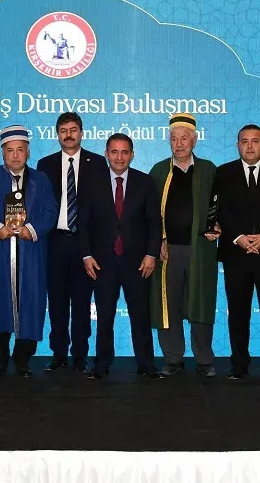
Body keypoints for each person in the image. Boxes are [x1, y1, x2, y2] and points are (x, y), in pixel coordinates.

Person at [79, 133, 161, 379]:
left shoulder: (145, 182)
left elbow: (154, 223)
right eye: (114, 152)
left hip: (138, 262)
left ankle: (146, 364)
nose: (119, 157)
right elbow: (82, 224)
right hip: (102, 262)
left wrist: (151, 254)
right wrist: (86, 255)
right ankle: (101, 364)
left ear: (132, 155)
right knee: (104, 316)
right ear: (106, 154)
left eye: (124, 152)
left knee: (140, 316)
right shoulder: (91, 182)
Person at [0, 125, 57, 379]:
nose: (15, 155)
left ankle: (23, 360)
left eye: (20, 150)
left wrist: (31, 229)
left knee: (31, 305)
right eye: (10, 150)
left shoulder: (41, 180)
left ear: (28, 152)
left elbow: (50, 212)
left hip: (31, 253)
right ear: (2, 152)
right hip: (0, 253)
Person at [215, 124, 260, 382]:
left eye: (255, 141)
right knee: (237, 312)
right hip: (236, 252)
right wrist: (238, 237)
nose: (249, 146)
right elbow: (221, 209)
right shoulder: (224, 172)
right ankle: (239, 364)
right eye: (244, 141)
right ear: (237, 145)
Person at [149, 113, 220, 378]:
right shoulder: (158, 171)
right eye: (174, 139)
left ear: (194, 140)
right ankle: (173, 358)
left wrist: (219, 225)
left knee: (201, 302)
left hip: (200, 250)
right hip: (168, 252)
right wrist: (158, 240)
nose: (179, 144)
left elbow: (221, 205)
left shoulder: (208, 170)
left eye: (184, 138)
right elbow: (149, 213)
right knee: (169, 305)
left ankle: (204, 358)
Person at [37, 112, 107, 372]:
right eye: (63, 130)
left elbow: (102, 207)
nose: (68, 135)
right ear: (57, 134)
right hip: (54, 242)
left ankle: (80, 353)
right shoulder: (45, 165)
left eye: (73, 129)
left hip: (85, 244)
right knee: (56, 301)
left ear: (81, 133)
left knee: (81, 301)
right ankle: (58, 353)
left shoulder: (97, 163)